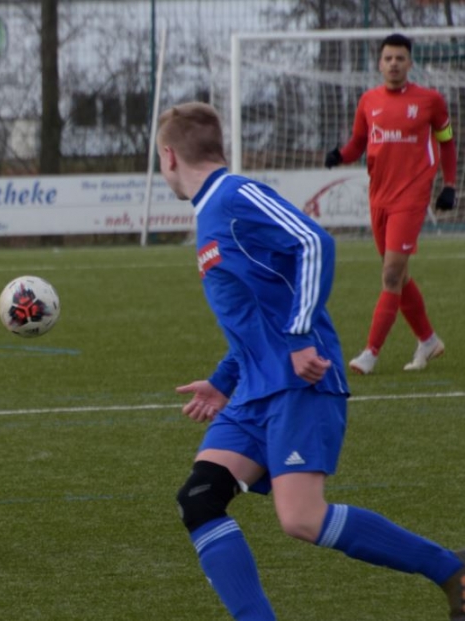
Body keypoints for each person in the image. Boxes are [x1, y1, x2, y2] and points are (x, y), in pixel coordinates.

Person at [158, 101, 465, 620]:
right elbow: (256, 313)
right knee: (200, 498)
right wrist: (222, 380)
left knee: (301, 518)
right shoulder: (211, 211)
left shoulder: (234, 194)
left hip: (301, 381)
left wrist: (301, 336)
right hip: (254, 390)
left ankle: (450, 570)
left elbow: (314, 241)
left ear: (168, 156)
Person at [324, 32, 457, 375]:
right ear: (380, 63)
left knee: (391, 273)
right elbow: (358, 143)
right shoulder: (368, 101)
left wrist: (449, 185)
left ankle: (370, 353)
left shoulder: (430, 101)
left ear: (410, 63)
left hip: (411, 197)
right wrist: (340, 156)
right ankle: (428, 340)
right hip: (379, 197)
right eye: (388, 58)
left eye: (400, 58)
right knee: (399, 274)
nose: (394, 63)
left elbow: (446, 141)